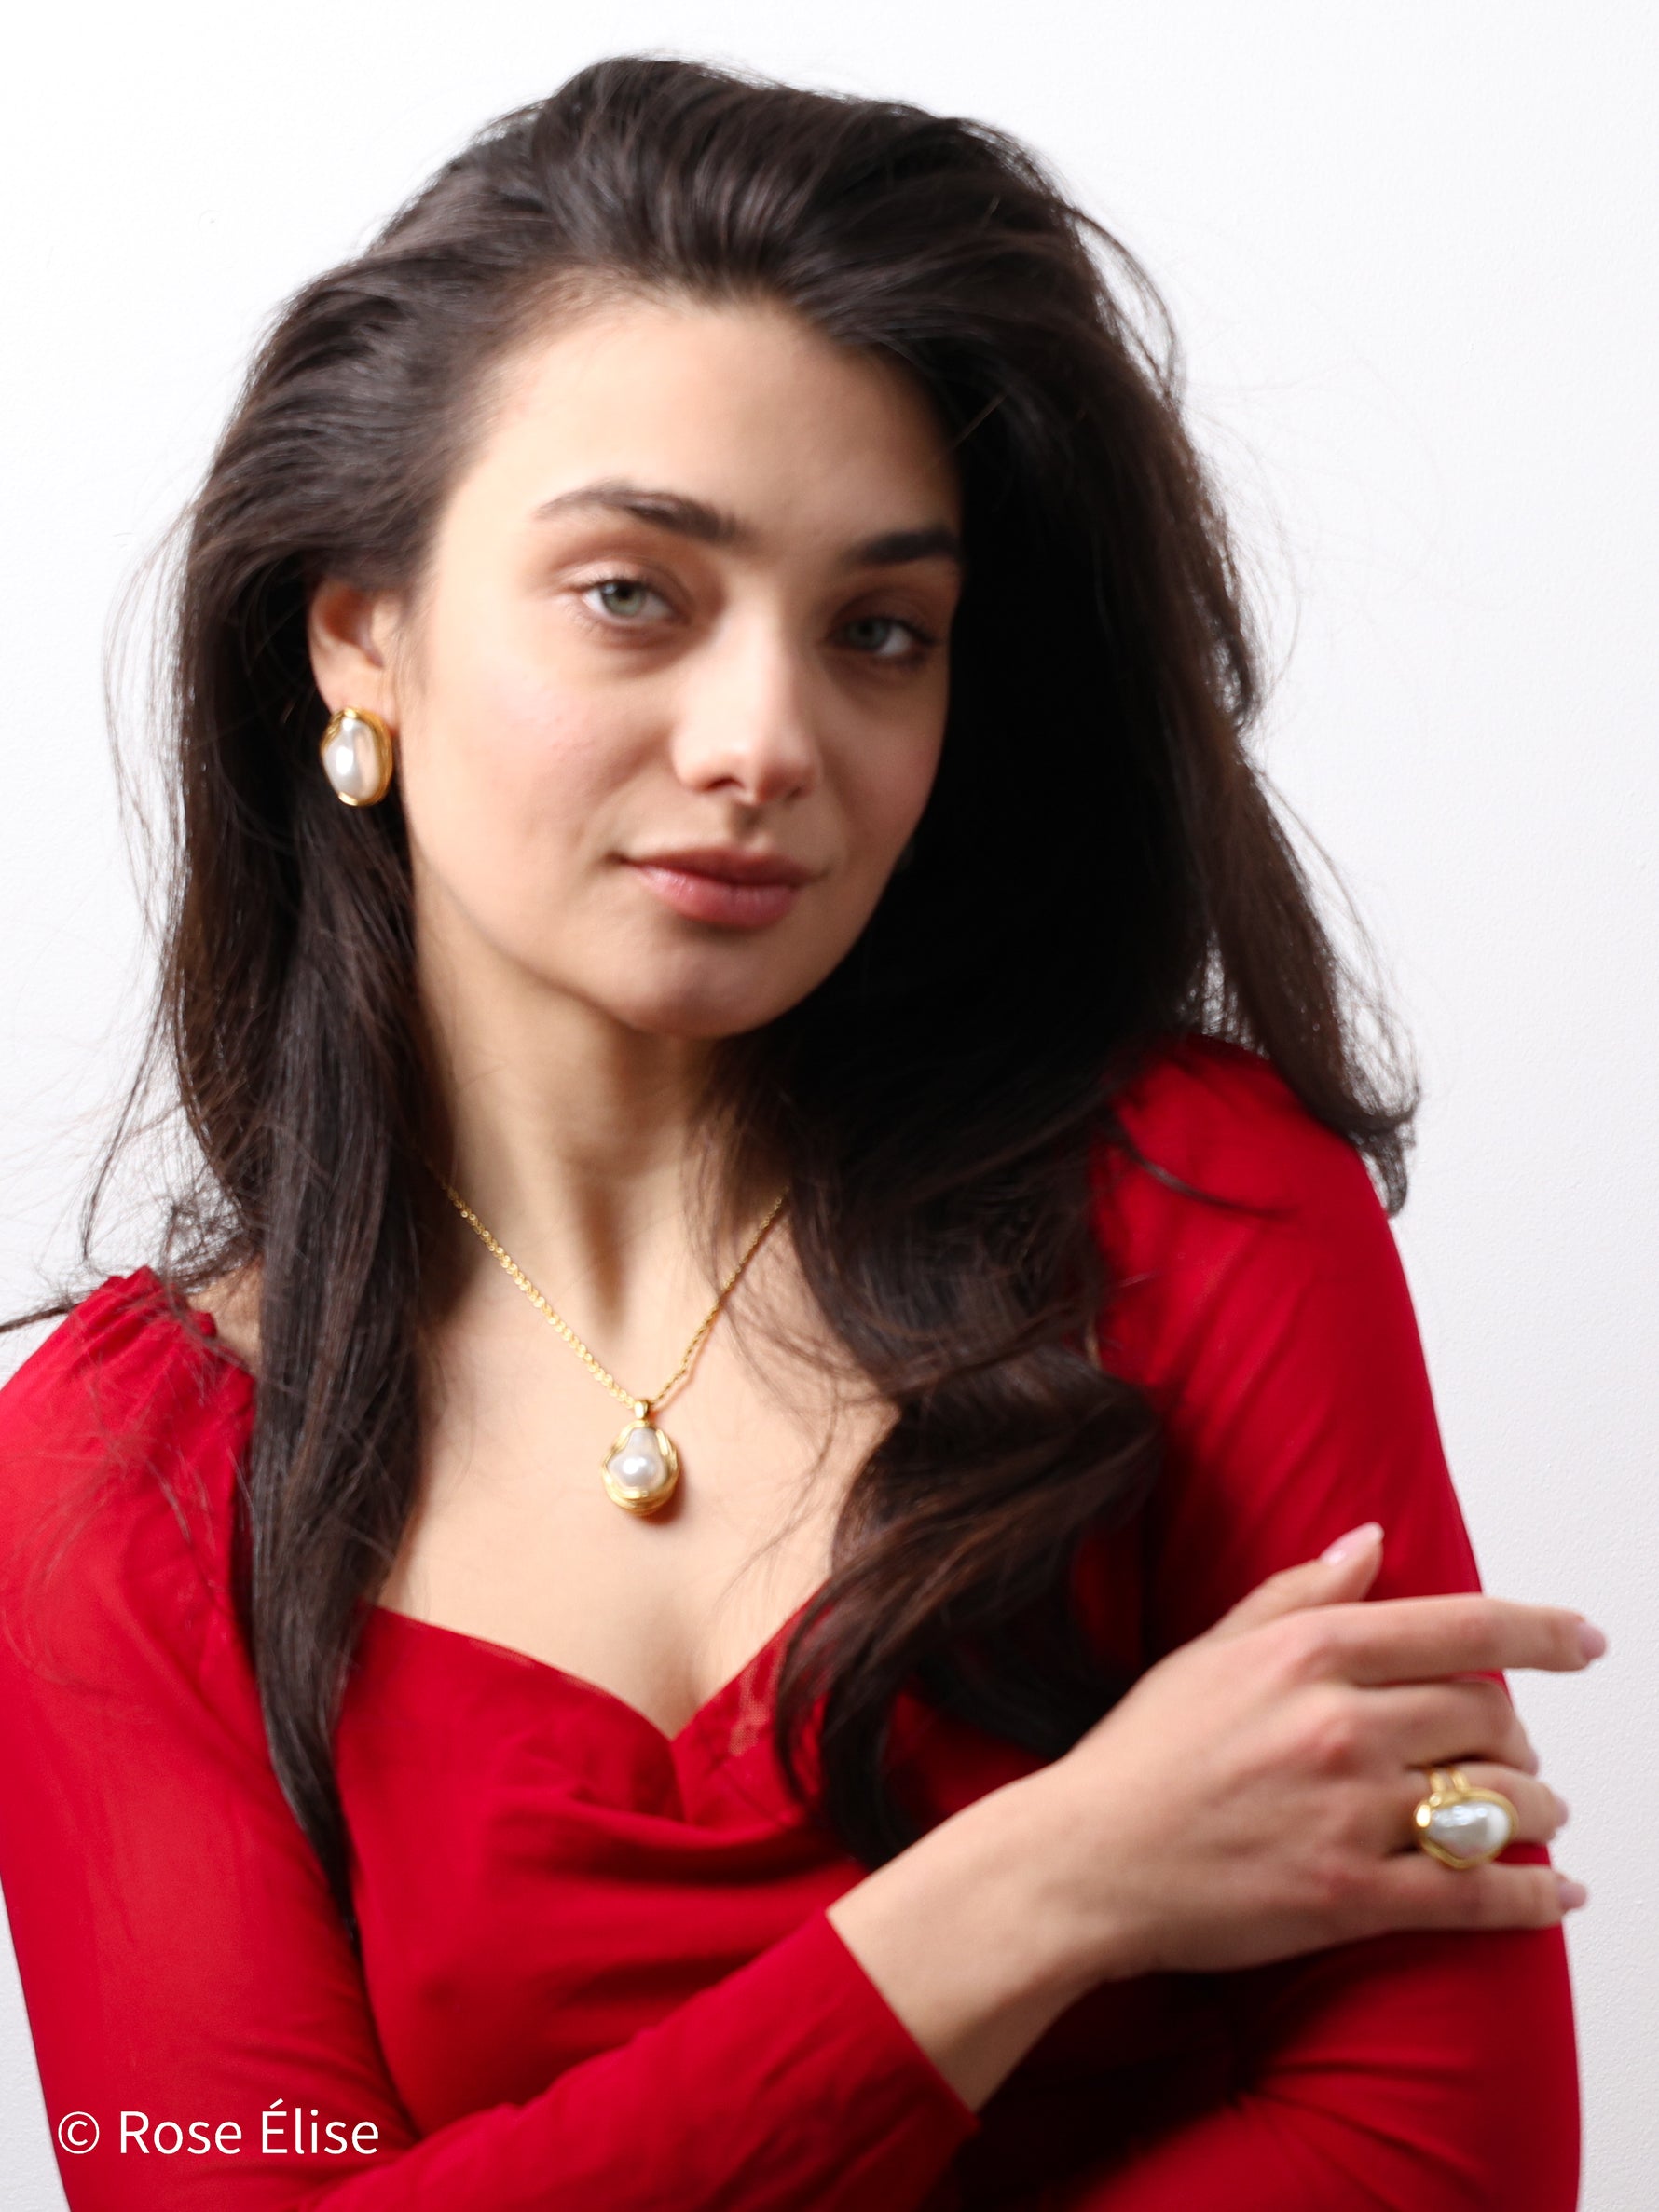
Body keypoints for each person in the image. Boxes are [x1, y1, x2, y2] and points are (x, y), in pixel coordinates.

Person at [0, 53, 1598, 2212]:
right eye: (632, 592)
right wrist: (1040, 1880)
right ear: (360, 635)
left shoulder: (1192, 1207)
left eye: (877, 630)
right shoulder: (109, 1487)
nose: (767, 739)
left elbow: (1437, 2153)